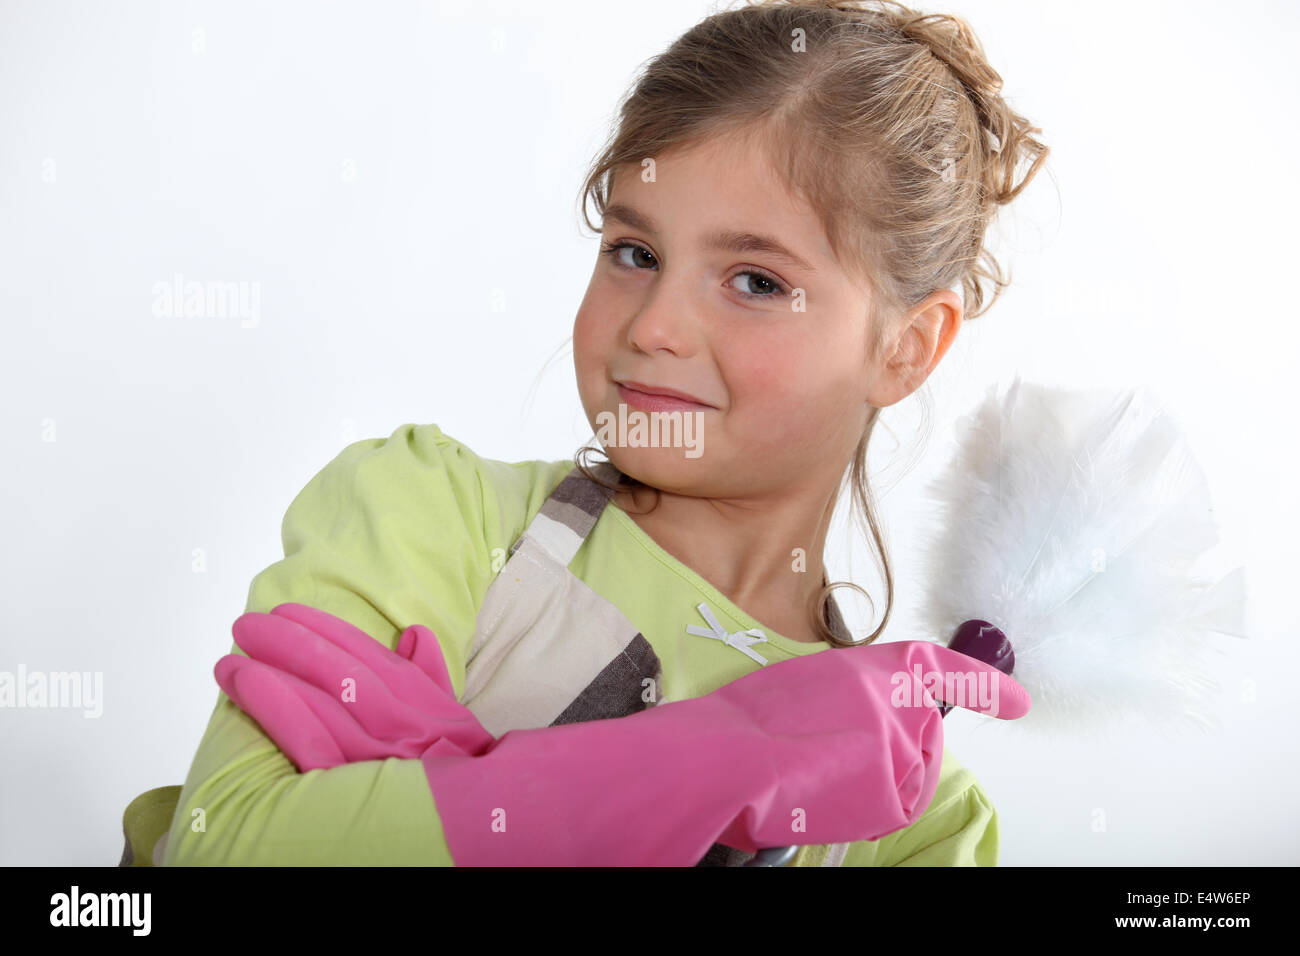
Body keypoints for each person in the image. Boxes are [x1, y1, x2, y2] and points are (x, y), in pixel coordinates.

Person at [161, 0, 1046, 867]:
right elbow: (232, 847)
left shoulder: (915, 820)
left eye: (755, 281)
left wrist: (449, 788)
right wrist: (713, 761)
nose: (656, 325)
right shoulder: (433, 514)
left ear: (905, 347)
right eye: (636, 253)